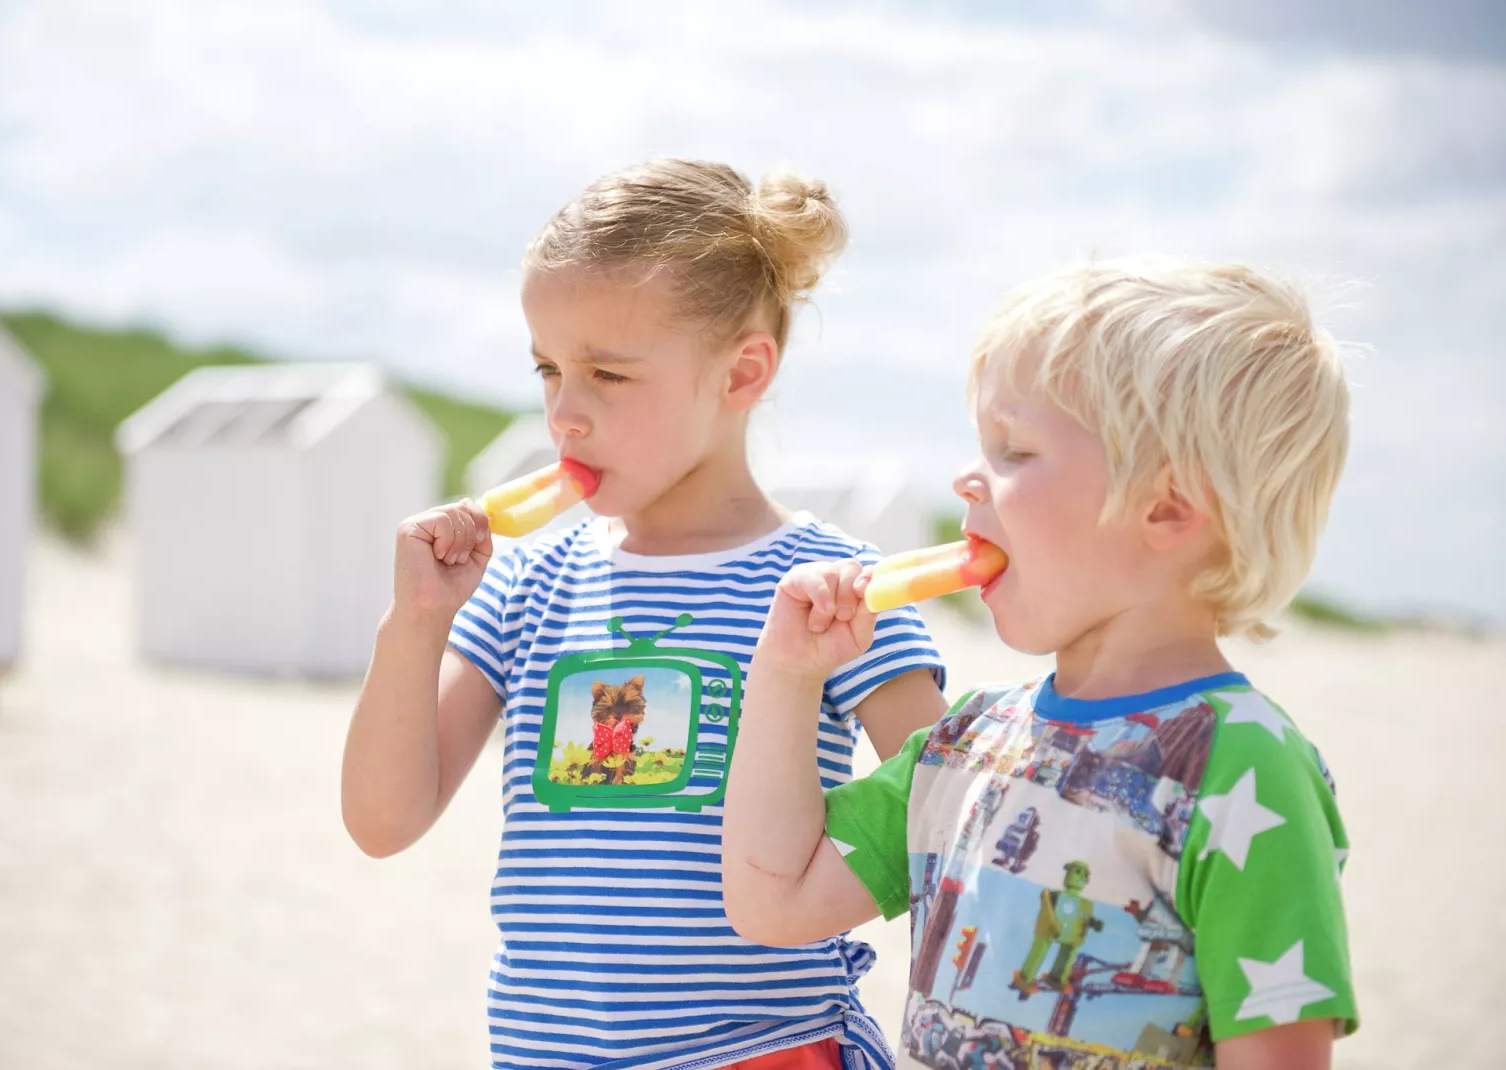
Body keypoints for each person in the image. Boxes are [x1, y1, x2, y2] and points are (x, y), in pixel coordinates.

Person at [342, 158, 948, 1070]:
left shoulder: (834, 590)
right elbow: (382, 822)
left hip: (767, 1050)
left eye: (608, 376)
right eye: (548, 369)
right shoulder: (525, 583)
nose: (564, 416)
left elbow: (950, 807)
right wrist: (414, 624)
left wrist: (813, 898)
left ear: (741, 374)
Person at [723, 256, 1358, 1069]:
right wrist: (785, 676)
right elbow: (773, 901)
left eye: (1014, 451)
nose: (966, 475)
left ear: (1166, 507)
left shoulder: (1242, 768)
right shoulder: (963, 747)